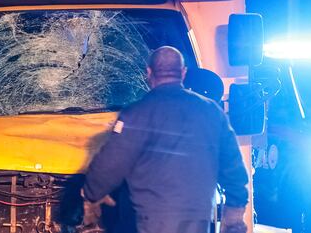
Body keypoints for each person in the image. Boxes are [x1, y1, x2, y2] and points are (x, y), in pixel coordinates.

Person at [82, 46, 249, 233]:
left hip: (151, 221)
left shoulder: (136, 114)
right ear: (183, 73)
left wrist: (91, 194)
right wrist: (235, 207)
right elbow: (232, 164)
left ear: (149, 73)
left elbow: (111, 162)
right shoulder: (211, 111)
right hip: (198, 220)